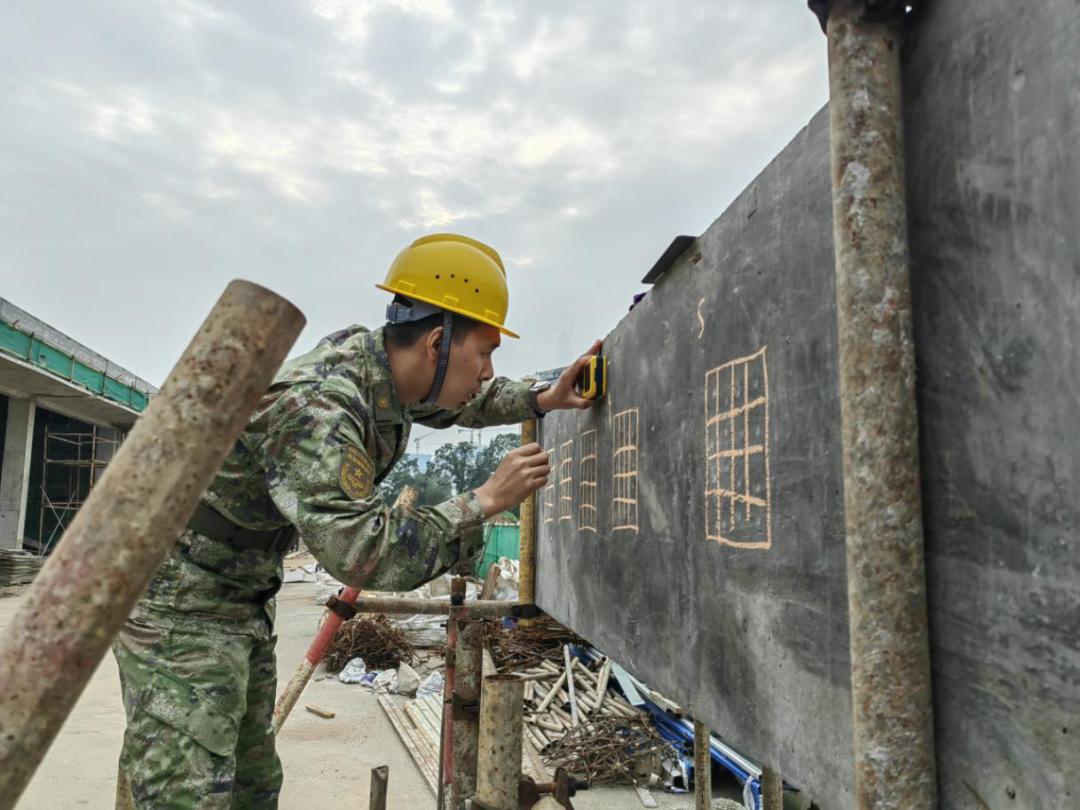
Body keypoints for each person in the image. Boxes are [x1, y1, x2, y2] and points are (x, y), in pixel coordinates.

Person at [113, 233, 599, 808]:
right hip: (181, 598)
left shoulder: (386, 374)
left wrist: (542, 399)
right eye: (484, 354)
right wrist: (485, 500)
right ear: (438, 343)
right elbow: (363, 554)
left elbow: (463, 400)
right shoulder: (322, 405)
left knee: (251, 786)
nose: (489, 371)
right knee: (187, 795)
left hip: (240, 587)